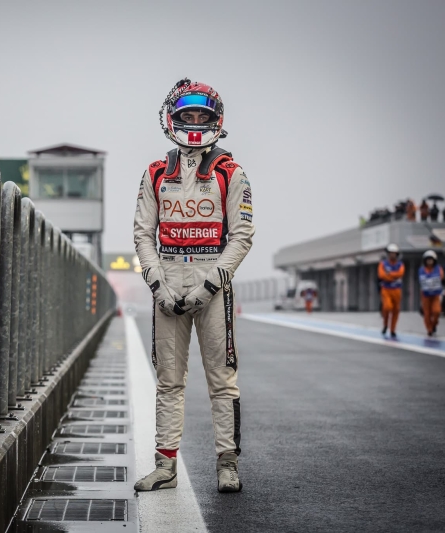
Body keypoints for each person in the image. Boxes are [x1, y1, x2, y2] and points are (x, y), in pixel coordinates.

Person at [133, 78, 254, 493]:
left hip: (212, 288)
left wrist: (209, 286)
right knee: (168, 380)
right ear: (174, 118)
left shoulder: (230, 172)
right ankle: (165, 466)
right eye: (189, 114)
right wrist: (157, 287)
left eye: (203, 115)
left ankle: (227, 465)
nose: (196, 121)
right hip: (166, 286)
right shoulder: (154, 173)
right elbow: (142, 235)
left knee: (222, 379)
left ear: (216, 119)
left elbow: (241, 236)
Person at [378, 244, 404, 339]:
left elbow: (400, 273)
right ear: (387, 254)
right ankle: (385, 324)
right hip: (386, 289)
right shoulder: (383, 264)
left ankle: (393, 330)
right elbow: (381, 275)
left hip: (397, 290)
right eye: (390, 253)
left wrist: (389, 275)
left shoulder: (400, 264)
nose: (392, 255)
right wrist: (393, 276)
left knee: (396, 310)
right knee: (387, 307)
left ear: (397, 254)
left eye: (394, 253)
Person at [419, 250, 444, 336]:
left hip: (436, 295)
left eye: (431, 260)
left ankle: (434, 325)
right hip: (425, 295)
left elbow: (442, 278)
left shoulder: (438, 269)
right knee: (427, 314)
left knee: (437, 311)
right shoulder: (421, 270)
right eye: (428, 260)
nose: (429, 262)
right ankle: (429, 329)